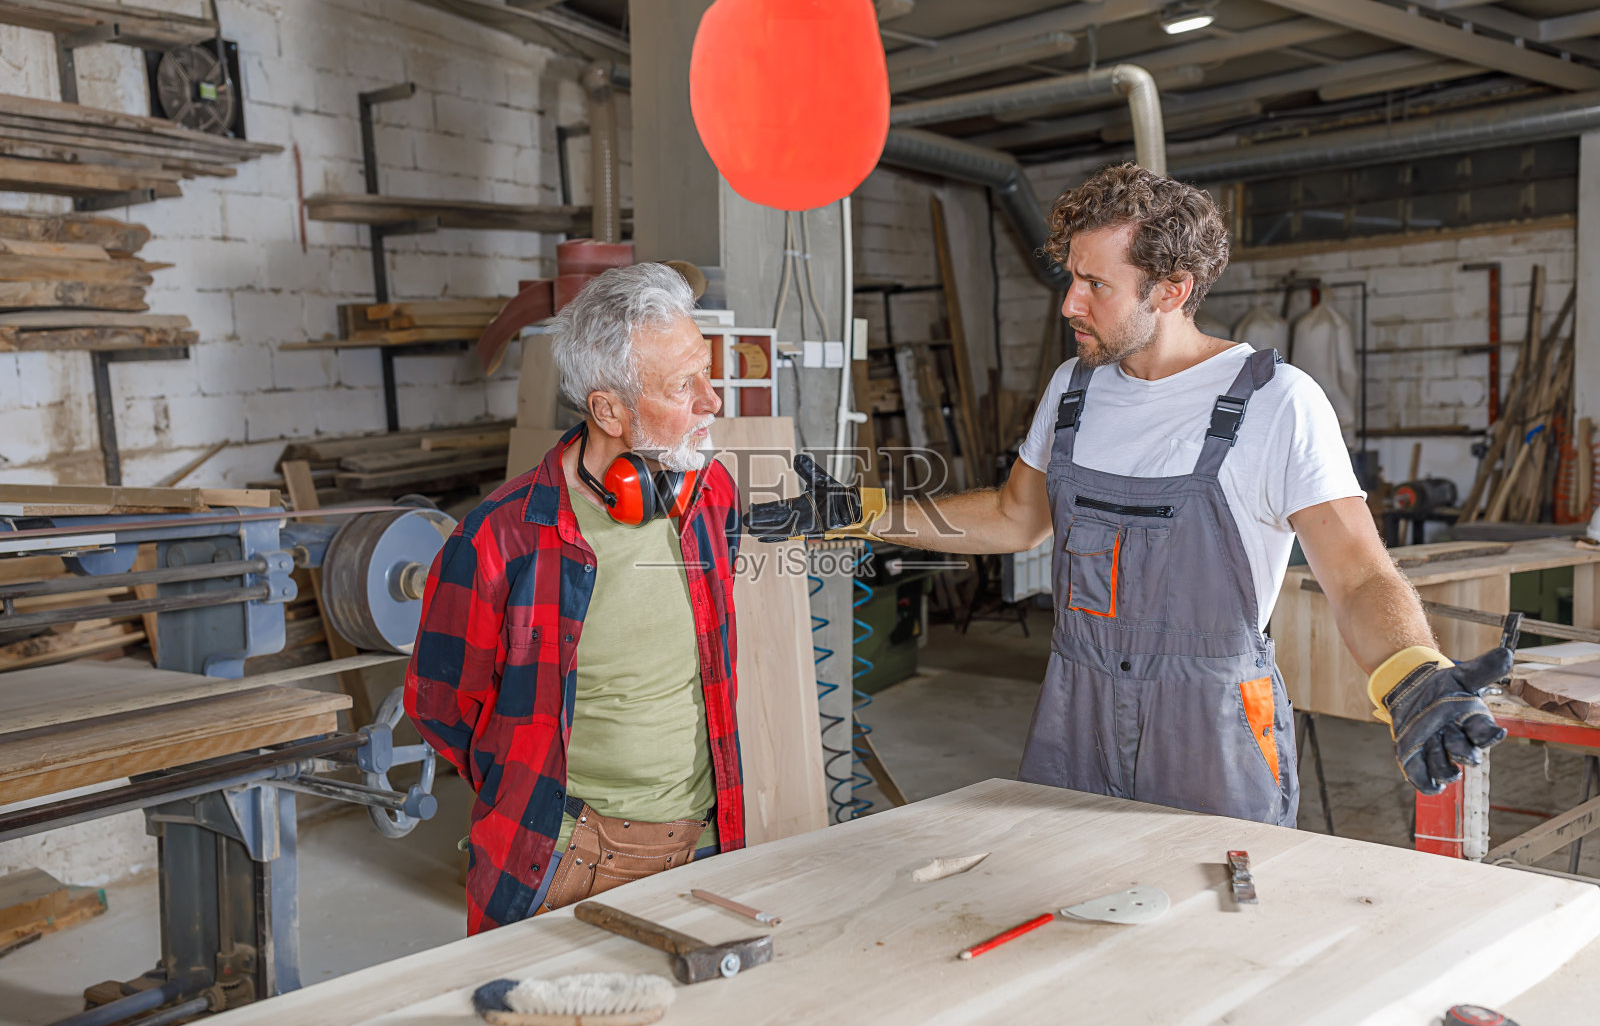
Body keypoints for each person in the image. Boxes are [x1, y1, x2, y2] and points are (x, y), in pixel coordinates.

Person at [749, 163, 1508, 824]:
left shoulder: (1278, 401)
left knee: (1208, 931)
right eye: (1072, 277)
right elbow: (1017, 517)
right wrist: (868, 513)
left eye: (1095, 285)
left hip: (1210, 727)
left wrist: (1408, 673)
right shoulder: (1074, 389)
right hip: (1074, 712)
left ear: (1172, 289)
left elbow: (1359, 572)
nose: (1069, 303)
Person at [405, 263, 745, 934]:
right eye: (684, 386)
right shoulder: (499, 539)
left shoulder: (711, 496)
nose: (714, 401)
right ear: (608, 409)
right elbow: (442, 706)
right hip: (566, 858)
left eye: (707, 372)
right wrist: (531, 791)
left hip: (711, 835)